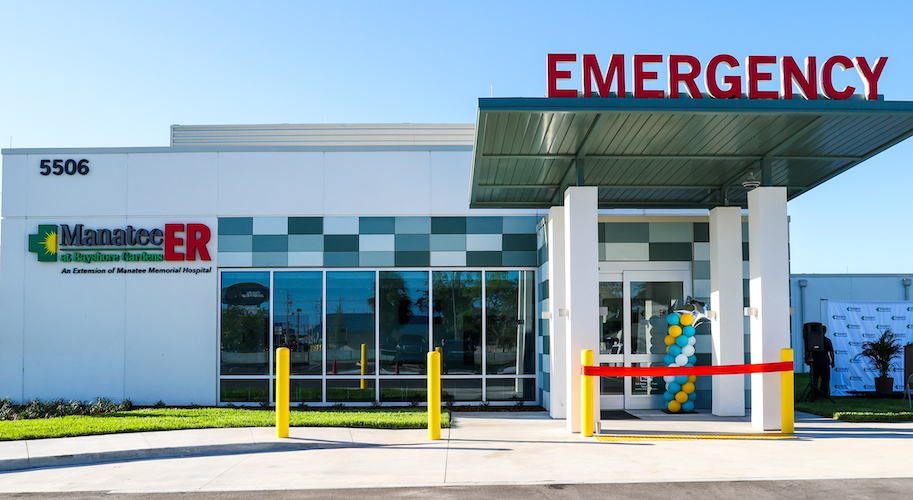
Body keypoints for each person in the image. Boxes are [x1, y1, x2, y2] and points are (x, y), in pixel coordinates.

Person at [807, 327, 835, 399]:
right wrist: (833, 361)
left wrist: (806, 359)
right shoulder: (827, 341)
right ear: (825, 332)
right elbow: (831, 352)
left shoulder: (813, 340)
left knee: (814, 379)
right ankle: (823, 393)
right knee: (825, 379)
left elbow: (807, 351)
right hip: (824, 362)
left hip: (815, 362)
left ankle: (815, 393)